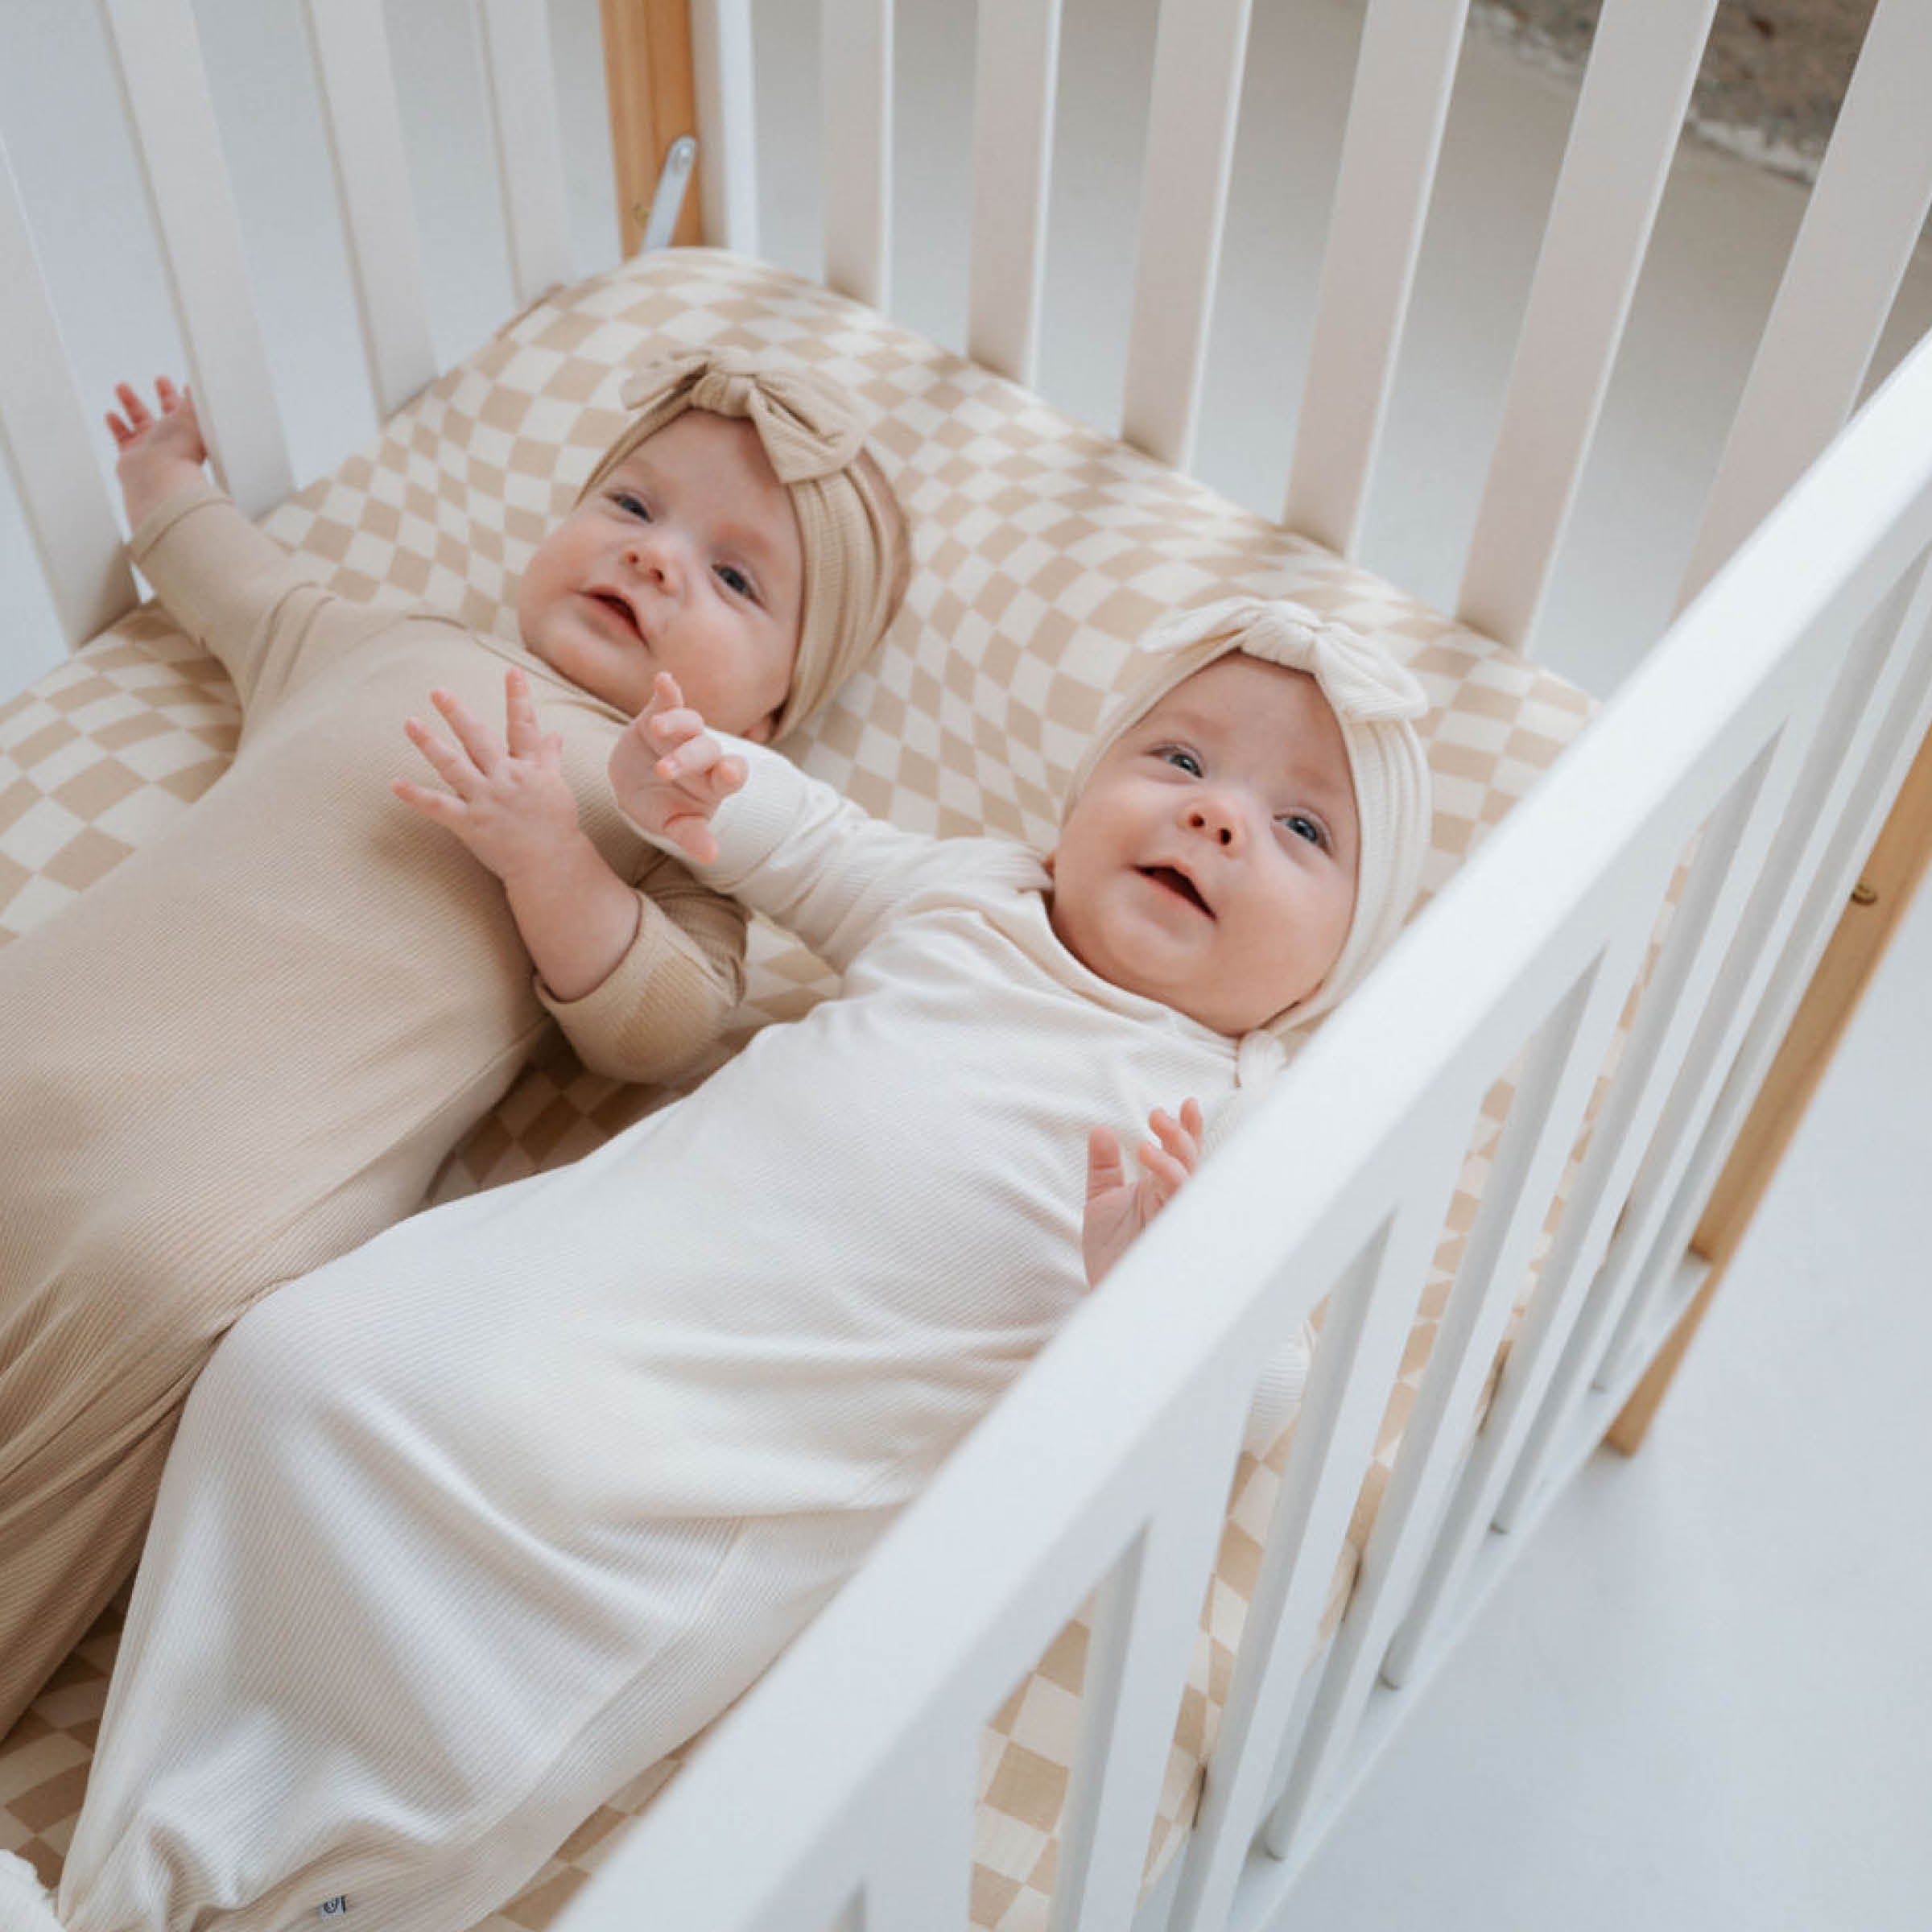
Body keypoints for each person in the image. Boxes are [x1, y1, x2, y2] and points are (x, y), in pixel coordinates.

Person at [0, 597, 1432, 1932]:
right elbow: (814, 845)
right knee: (292, 1372)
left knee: (483, 1678)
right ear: (1076, 799)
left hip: (710, 1458)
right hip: (558, 1281)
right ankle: (145, 1819)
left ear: (1332, 969)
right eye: (1179, 756)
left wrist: (1157, 1292)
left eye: (1302, 829)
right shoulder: (975, 896)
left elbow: (1264, 1389)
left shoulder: (1232, 1114)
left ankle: (208, 1888)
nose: (1215, 815)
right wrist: (698, 785)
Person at [0, 347, 910, 1735]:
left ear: (774, 711)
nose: (657, 562)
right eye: (630, 505)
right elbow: (241, 588)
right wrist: (167, 480)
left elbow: (661, 1025)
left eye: (734, 580)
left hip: (234, 1171)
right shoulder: (387, 644)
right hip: (57, 1032)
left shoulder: (676, 818)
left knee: (151, 1305)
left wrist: (553, 855)